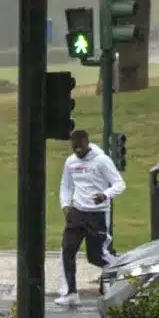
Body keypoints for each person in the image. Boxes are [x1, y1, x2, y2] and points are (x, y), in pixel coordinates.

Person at [56, 129, 125, 307]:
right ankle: (70, 292)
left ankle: (124, 270)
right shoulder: (70, 162)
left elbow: (119, 183)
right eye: (74, 147)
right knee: (67, 251)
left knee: (96, 256)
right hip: (77, 212)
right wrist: (65, 206)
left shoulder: (101, 160)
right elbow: (66, 185)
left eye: (80, 147)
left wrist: (105, 194)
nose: (77, 150)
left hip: (97, 214)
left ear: (87, 143)